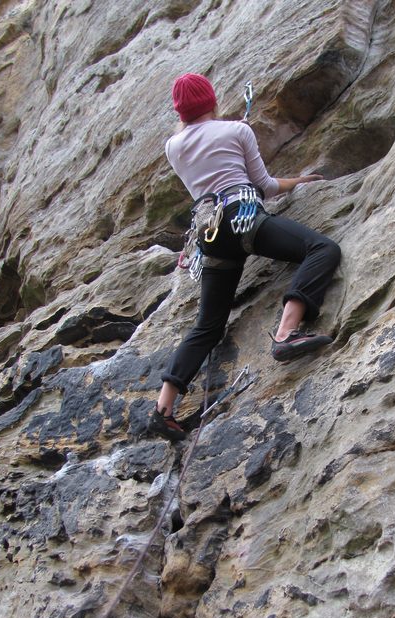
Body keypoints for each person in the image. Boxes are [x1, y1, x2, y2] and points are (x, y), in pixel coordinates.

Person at [149, 73, 341, 442]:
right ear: (212, 100)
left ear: (180, 110)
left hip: (210, 236)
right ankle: (286, 332)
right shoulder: (237, 131)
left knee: (208, 326)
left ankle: (163, 409)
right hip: (244, 218)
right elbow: (266, 187)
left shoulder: (173, 147)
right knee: (322, 249)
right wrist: (299, 181)